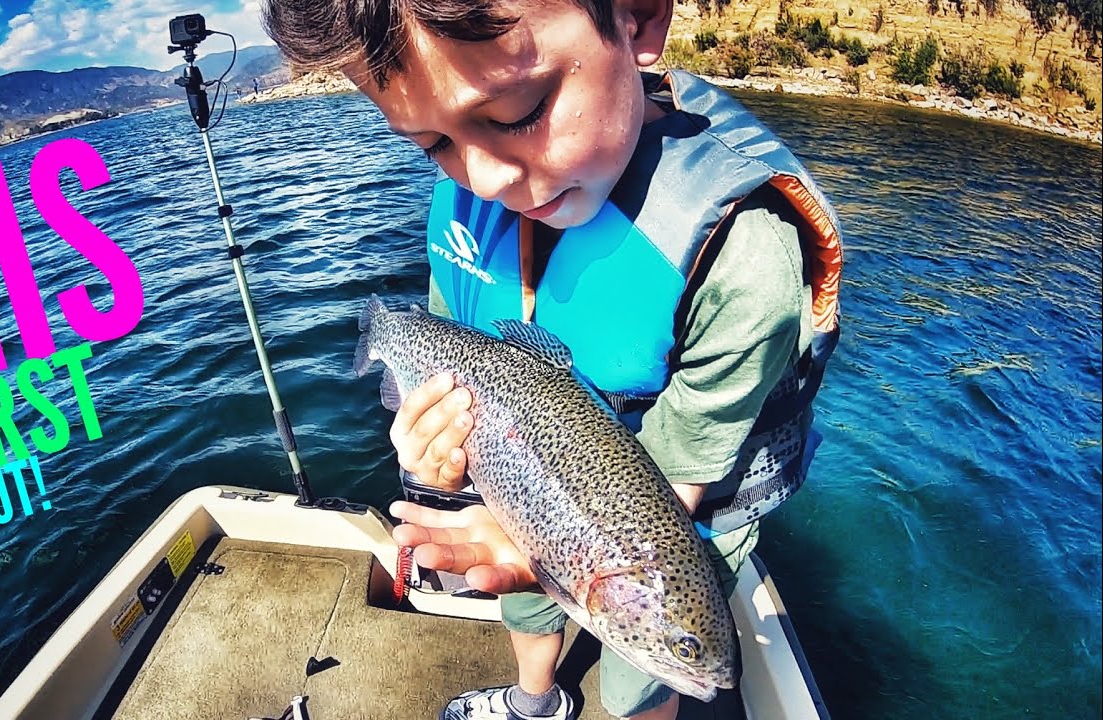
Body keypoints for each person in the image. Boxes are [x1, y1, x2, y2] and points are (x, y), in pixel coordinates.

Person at [263, 1, 843, 719]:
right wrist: (436, 450)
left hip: (686, 501)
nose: (483, 178)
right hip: (527, 465)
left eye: (518, 113)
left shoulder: (747, 262)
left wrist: (571, 551)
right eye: (432, 146)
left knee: (646, 680)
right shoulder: (471, 195)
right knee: (527, 612)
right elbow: (455, 346)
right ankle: (533, 701)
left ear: (637, 20)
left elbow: (676, 489)